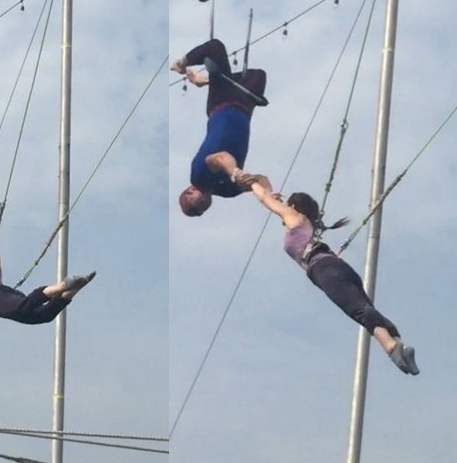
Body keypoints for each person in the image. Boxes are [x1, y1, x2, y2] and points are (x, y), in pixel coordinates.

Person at [242, 174, 419, 375]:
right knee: (363, 309)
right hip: (337, 267)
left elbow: (264, 198)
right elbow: (268, 193)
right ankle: (397, 344)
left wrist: (248, 180)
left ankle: (392, 348)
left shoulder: (294, 217)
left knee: (360, 311)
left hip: (324, 270)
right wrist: (266, 187)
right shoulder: (309, 225)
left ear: (292, 206)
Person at [0, 207, 96, 324]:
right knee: (41, 315)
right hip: (3, 292)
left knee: (26, 306)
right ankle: (72, 290)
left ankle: (63, 286)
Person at [171, 38, 267, 216]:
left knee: (215, 48)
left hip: (220, 104)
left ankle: (180, 64)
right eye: (201, 209)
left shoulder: (198, 176)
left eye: (196, 204)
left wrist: (235, 172)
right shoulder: (228, 191)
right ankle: (206, 80)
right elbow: (258, 181)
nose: (203, 205)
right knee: (258, 76)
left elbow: (220, 158)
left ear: (189, 190)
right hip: (244, 106)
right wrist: (270, 197)